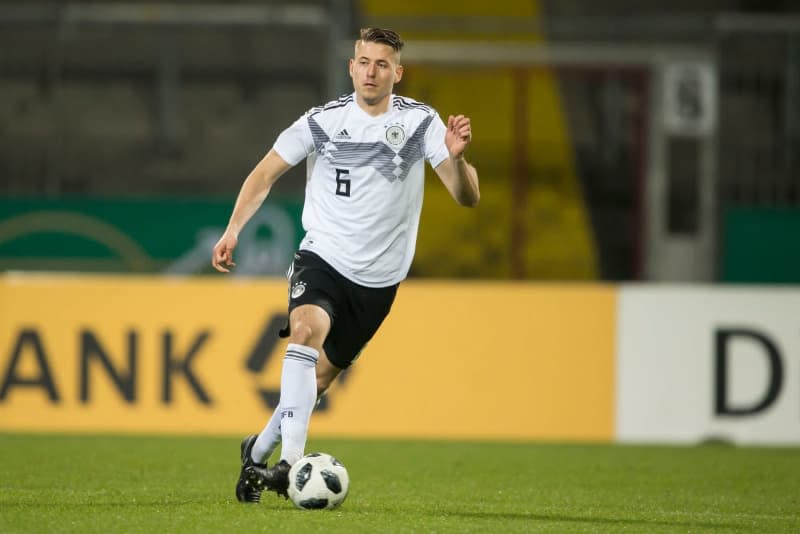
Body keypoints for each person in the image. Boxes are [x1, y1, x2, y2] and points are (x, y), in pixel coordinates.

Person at [211, 27, 480, 503]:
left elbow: (466, 197)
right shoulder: (322, 121)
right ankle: (293, 465)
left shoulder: (420, 123)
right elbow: (265, 172)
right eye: (364, 62)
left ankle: (258, 450)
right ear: (351, 67)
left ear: (398, 73)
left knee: (317, 380)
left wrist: (457, 161)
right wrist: (233, 230)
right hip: (323, 255)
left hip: (379, 281)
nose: (371, 72)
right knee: (304, 332)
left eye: (382, 64)